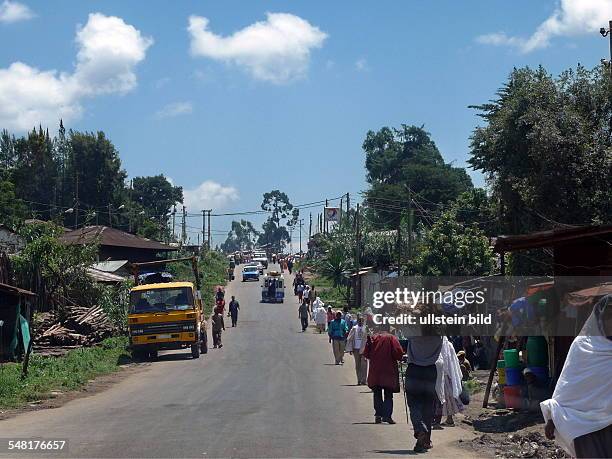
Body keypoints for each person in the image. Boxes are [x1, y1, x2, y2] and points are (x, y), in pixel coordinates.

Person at [541, 294, 612, 458]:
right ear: (599, 318)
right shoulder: (582, 346)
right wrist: (552, 419)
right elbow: (568, 384)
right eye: (608, 315)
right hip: (585, 429)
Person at [404, 334, 443, 452]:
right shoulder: (438, 336)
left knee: (413, 404)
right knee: (427, 407)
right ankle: (425, 441)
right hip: (430, 371)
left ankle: (420, 428)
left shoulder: (414, 333)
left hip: (414, 370)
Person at [363, 327, 404, 424]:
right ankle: (387, 416)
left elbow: (366, 353)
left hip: (375, 370)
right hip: (388, 370)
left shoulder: (373, 338)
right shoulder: (392, 338)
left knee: (377, 393)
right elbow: (398, 353)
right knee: (388, 394)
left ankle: (378, 414)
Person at [432, 337, 464, 428]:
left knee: (444, 397)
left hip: (442, 375)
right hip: (448, 374)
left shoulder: (438, 344)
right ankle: (448, 419)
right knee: (448, 398)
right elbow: (454, 361)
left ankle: (446, 419)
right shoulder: (448, 345)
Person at [346, 314, 368, 385]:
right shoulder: (354, 328)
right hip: (356, 349)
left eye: (362, 320)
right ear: (357, 321)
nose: (361, 321)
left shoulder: (366, 329)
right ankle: (359, 379)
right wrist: (350, 349)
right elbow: (349, 338)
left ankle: (364, 380)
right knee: (357, 365)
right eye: (359, 320)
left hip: (364, 349)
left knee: (364, 365)